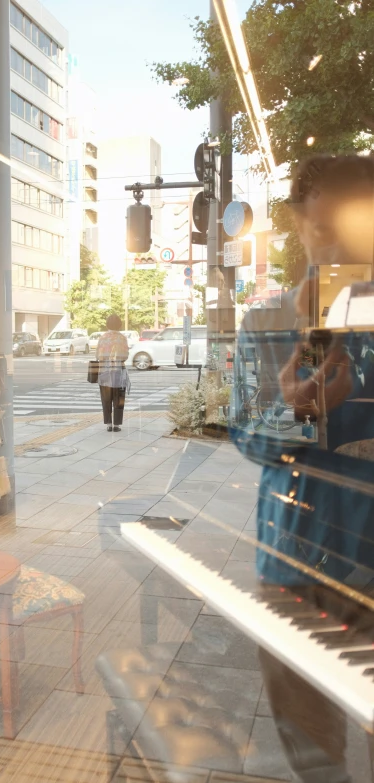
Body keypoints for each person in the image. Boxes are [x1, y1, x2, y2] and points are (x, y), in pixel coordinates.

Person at [232, 154, 374, 783]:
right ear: (299, 228)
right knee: (312, 750)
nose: (338, 246)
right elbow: (239, 433)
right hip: (294, 560)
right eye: (322, 231)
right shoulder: (265, 322)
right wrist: (294, 415)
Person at [96, 314, 130, 432]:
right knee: (119, 398)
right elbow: (125, 355)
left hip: (104, 372)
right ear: (119, 324)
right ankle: (116, 425)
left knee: (106, 398)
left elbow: (97, 356)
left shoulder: (102, 337)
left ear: (107, 324)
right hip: (118, 371)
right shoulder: (122, 338)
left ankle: (109, 424)